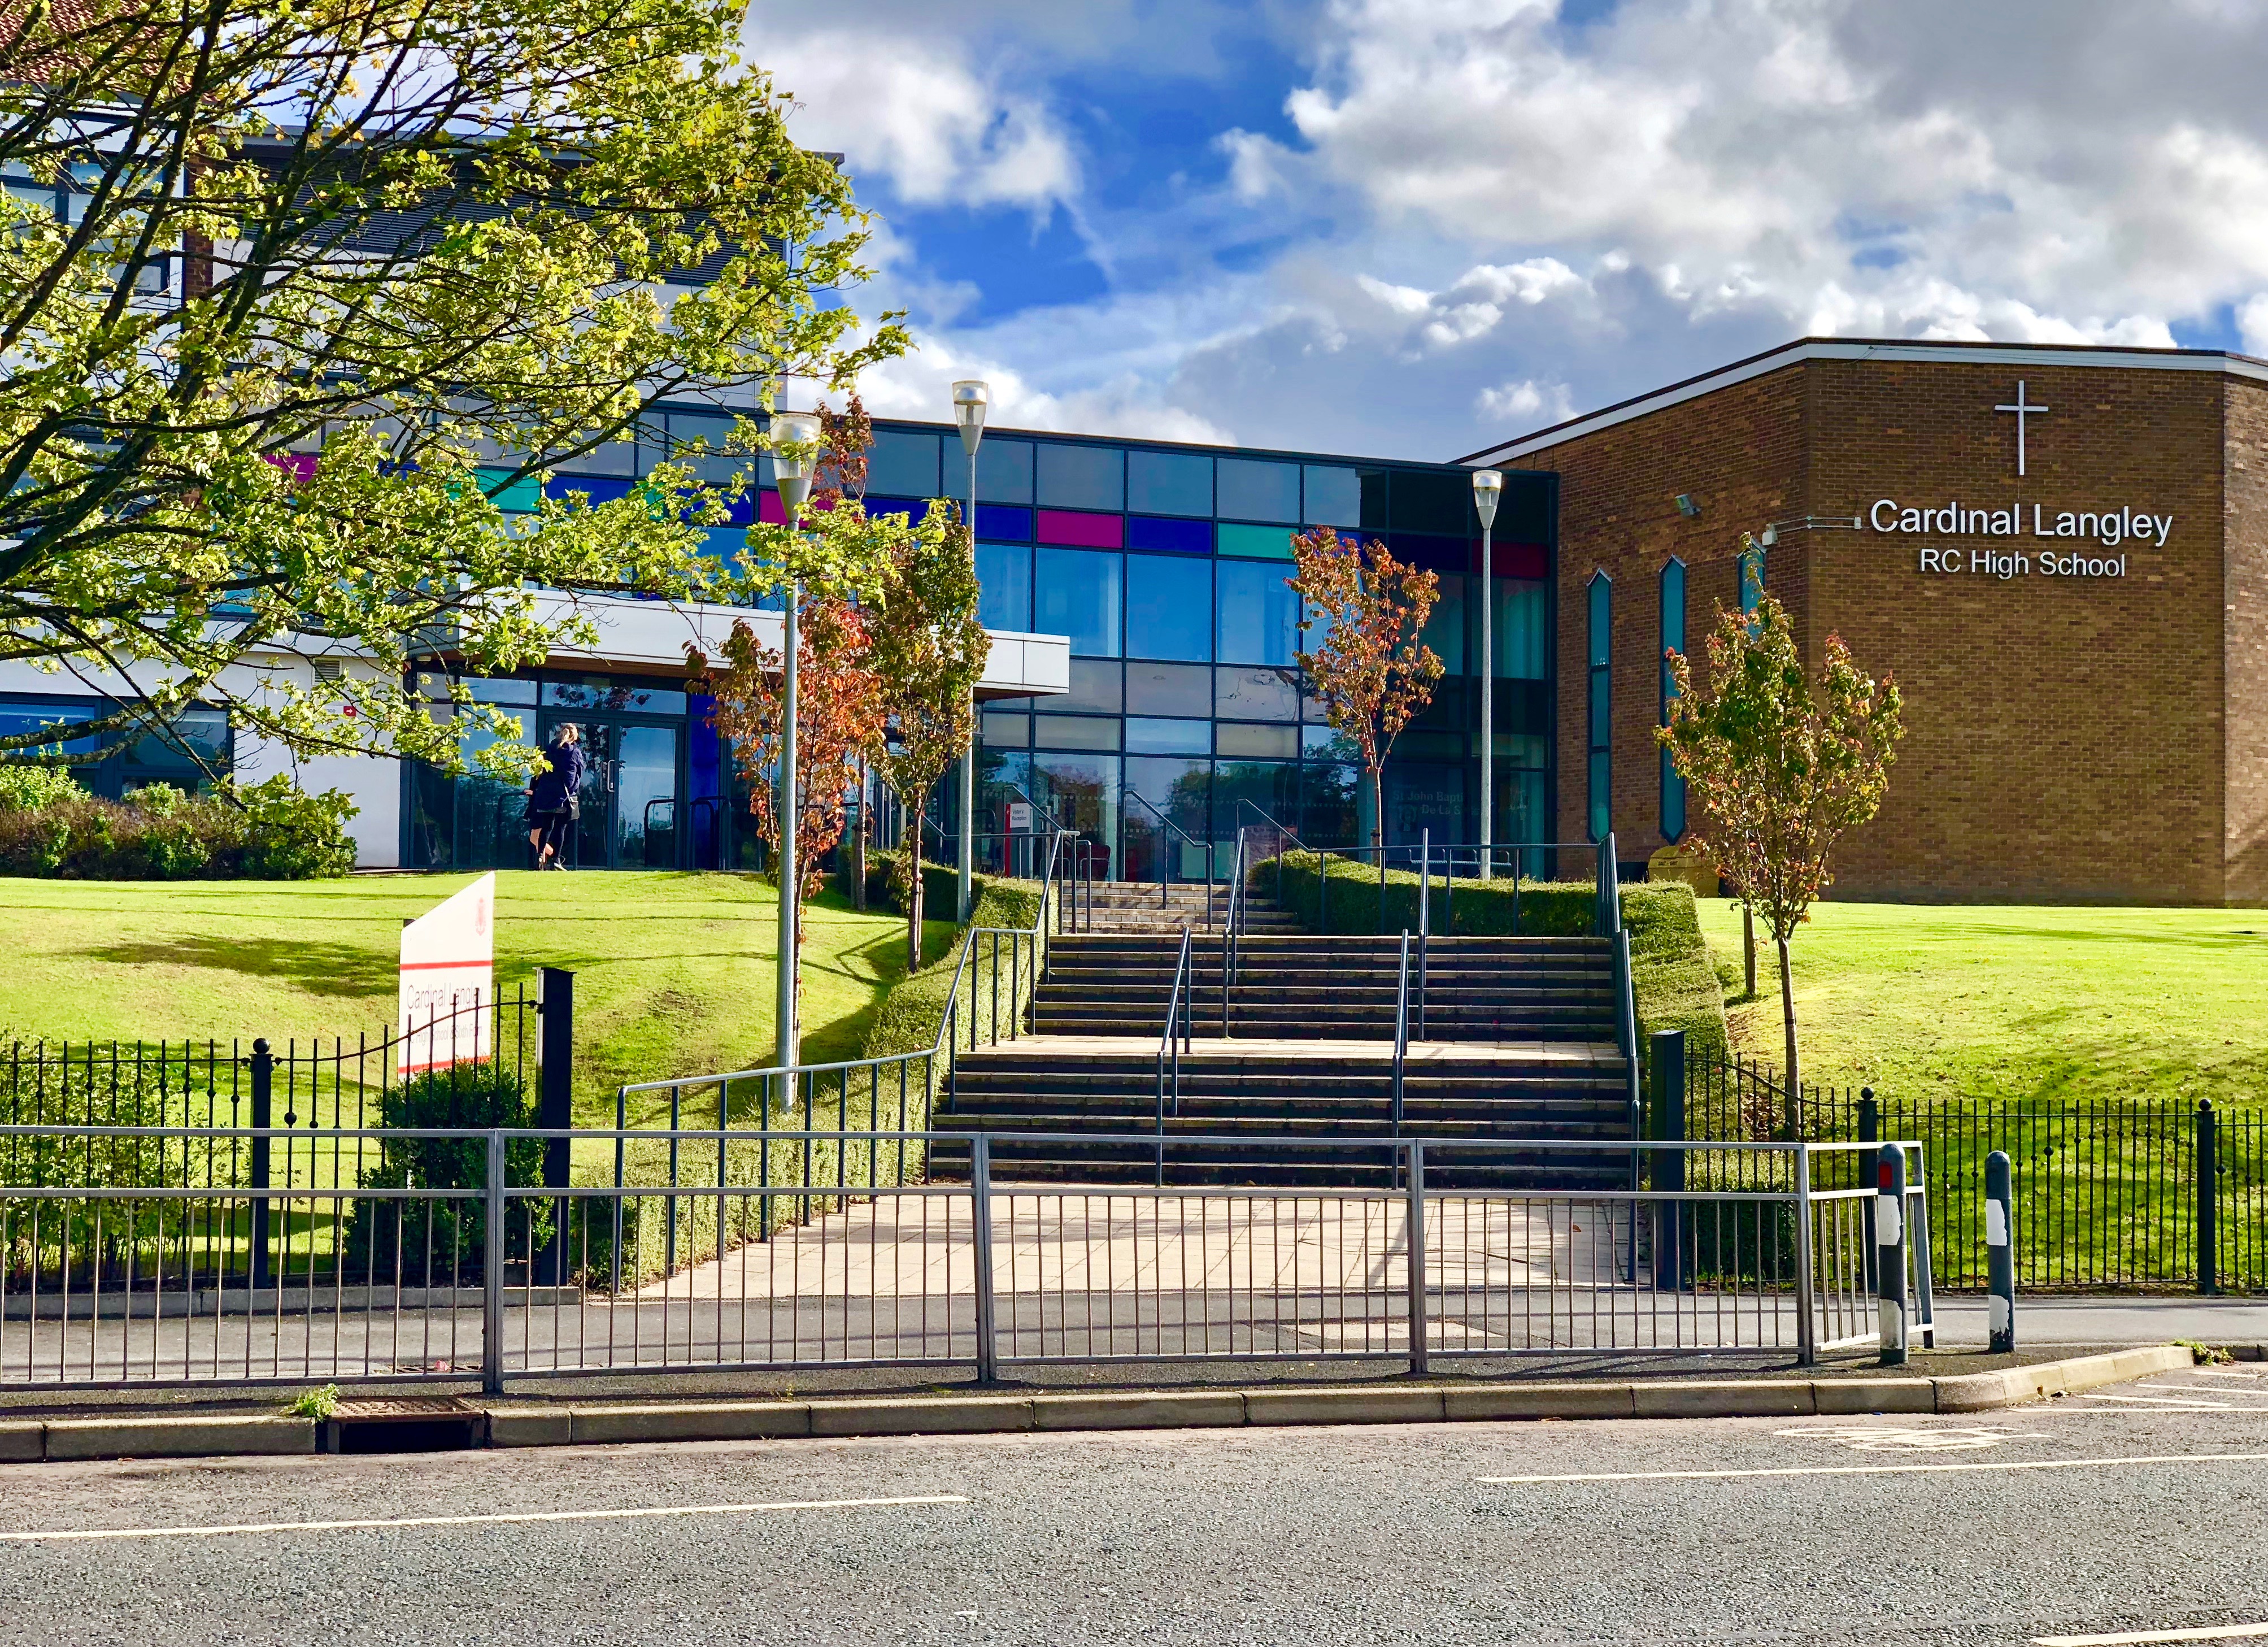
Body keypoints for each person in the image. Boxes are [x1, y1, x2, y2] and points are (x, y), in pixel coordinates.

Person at [525, 725, 585, 870]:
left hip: (545, 795)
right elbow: (578, 773)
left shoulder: (547, 751)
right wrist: (573, 790)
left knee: (547, 826)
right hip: (563, 796)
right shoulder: (574, 752)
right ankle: (556, 860)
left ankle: (540, 856)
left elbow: (538, 772)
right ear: (574, 737)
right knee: (560, 828)